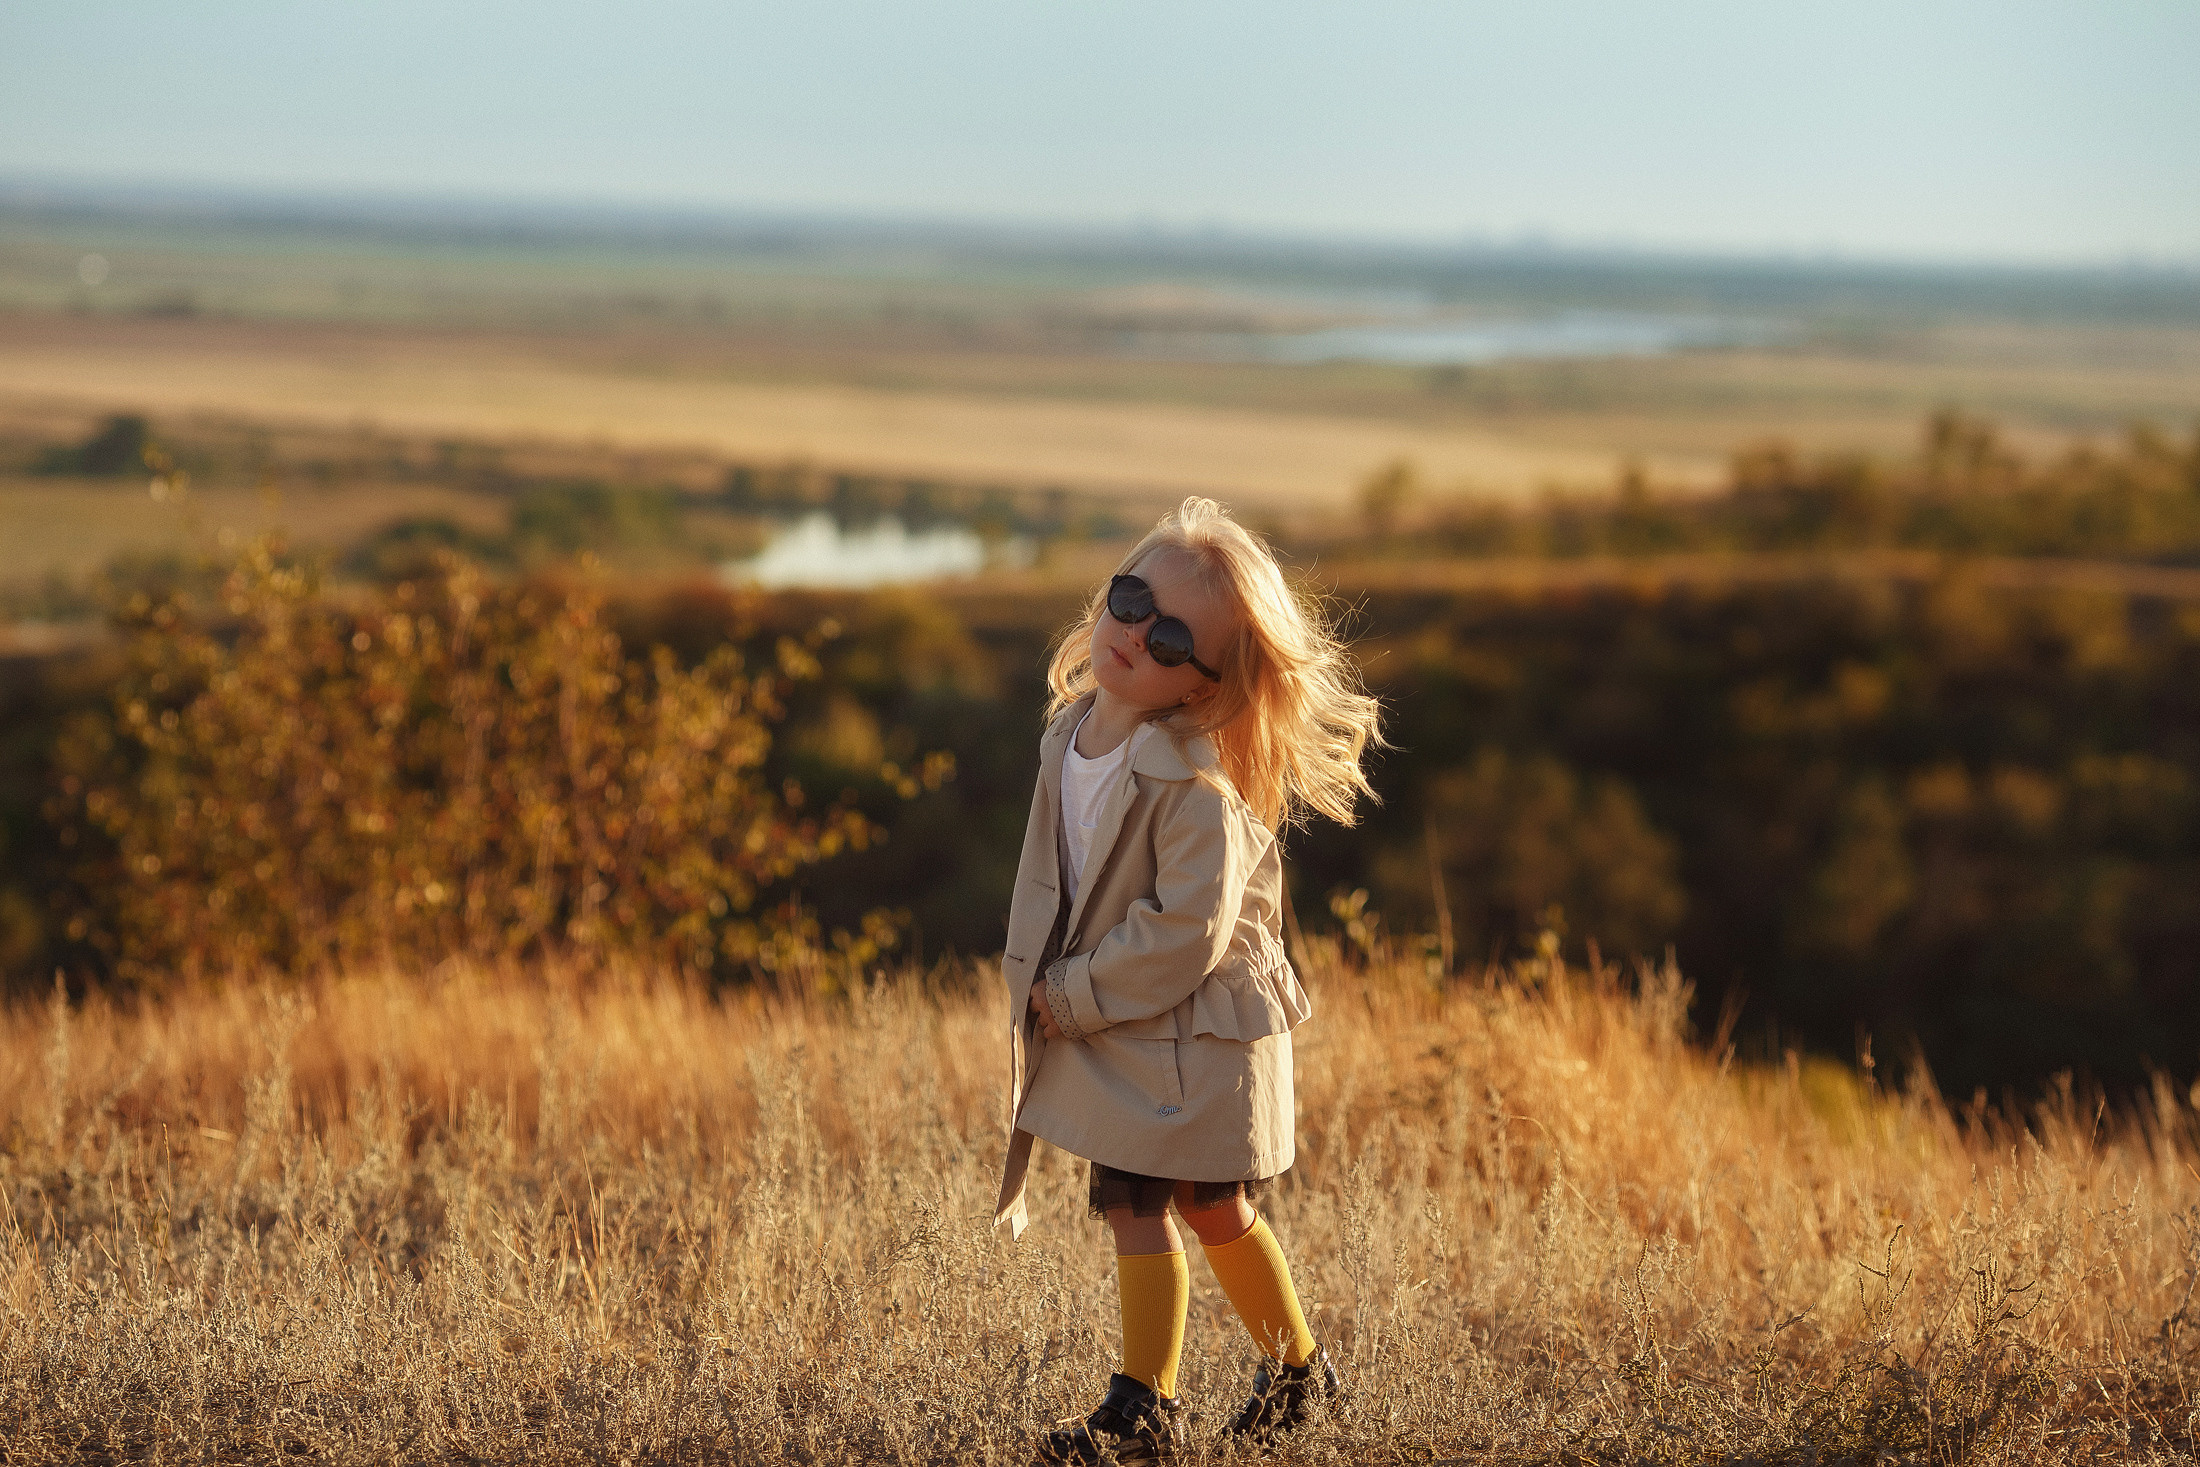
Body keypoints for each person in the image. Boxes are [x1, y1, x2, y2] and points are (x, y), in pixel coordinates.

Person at [993, 497, 1383, 1464]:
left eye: (1173, 639)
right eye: (1130, 601)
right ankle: (1195, 1393)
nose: (1135, 635)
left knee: (1200, 1204)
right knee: (1143, 1201)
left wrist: (1074, 993)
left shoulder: (1197, 778)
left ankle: (1245, 1382)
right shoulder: (1072, 733)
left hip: (1205, 1030)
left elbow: (1186, 933)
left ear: (1208, 682)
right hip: (1139, 1016)